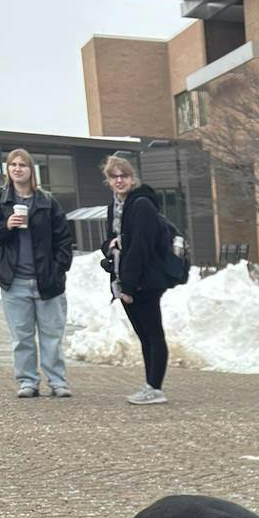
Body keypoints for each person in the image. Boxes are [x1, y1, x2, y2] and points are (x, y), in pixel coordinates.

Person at [0, 150, 74, 399]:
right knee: (21, 337)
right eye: (13, 165)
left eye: (22, 165)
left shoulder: (47, 201)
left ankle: (57, 381)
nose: (17, 169)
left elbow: (64, 238)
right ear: (8, 170)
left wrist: (58, 268)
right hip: (14, 281)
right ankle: (28, 381)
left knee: (52, 336)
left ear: (32, 170)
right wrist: (6, 225)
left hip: (47, 281)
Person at [100, 154, 174, 405]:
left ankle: (155, 388)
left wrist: (129, 286)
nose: (119, 180)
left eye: (124, 175)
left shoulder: (141, 204)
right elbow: (112, 241)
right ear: (108, 180)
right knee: (143, 335)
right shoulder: (115, 207)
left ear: (133, 178)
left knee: (153, 334)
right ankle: (149, 385)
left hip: (145, 280)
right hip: (124, 278)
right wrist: (108, 246)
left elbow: (140, 247)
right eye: (114, 176)